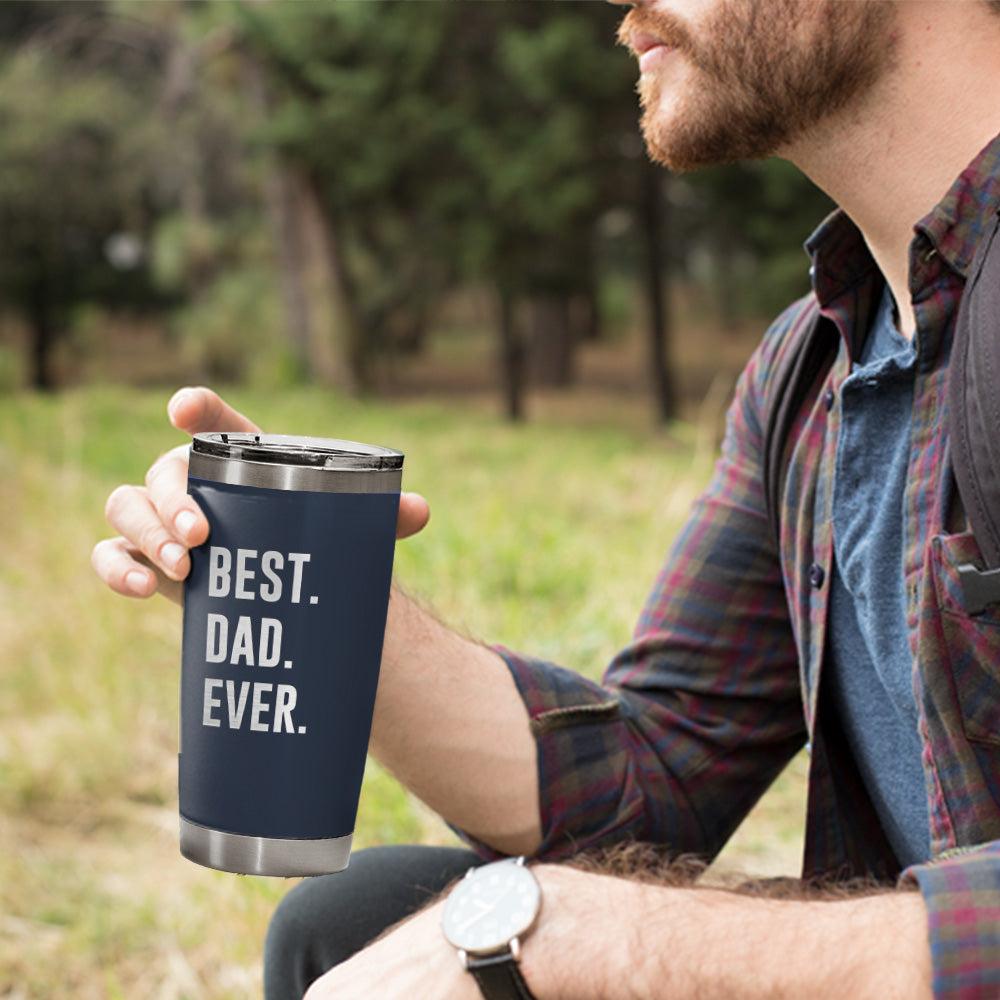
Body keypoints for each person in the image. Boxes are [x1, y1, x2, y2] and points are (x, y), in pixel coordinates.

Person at [91, 0, 1000, 996]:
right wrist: (304, 576)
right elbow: (659, 782)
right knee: (352, 922)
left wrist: (591, 940)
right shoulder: (814, 364)